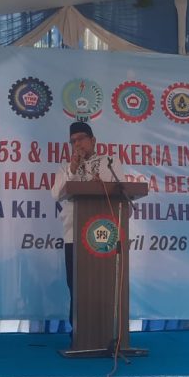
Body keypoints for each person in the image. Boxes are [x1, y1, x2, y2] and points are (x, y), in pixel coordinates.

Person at [51, 121, 124, 328]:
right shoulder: (65, 168)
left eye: (81, 138)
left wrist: (102, 186)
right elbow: (56, 194)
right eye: (73, 141)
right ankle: (79, 333)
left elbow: (121, 189)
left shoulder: (110, 162)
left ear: (93, 140)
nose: (77, 144)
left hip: (104, 235)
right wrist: (73, 169)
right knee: (76, 285)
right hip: (73, 235)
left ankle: (106, 331)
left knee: (103, 284)